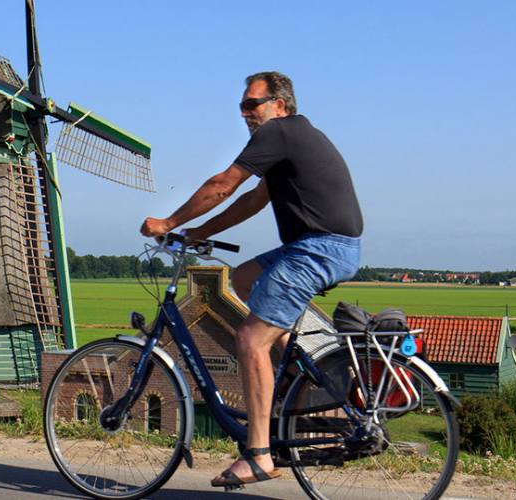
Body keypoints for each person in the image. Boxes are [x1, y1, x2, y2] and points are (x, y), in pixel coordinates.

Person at [140, 71, 363, 488]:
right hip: (324, 245)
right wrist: (198, 233)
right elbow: (251, 200)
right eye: (242, 106)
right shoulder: (292, 140)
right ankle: (296, 370)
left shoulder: (278, 133)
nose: (244, 113)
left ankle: (258, 454)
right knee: (243, 280)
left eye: (251, 104)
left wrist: (169, 221)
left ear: (280, 105)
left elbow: (224, 184)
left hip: (318, 248)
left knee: (248, 340)